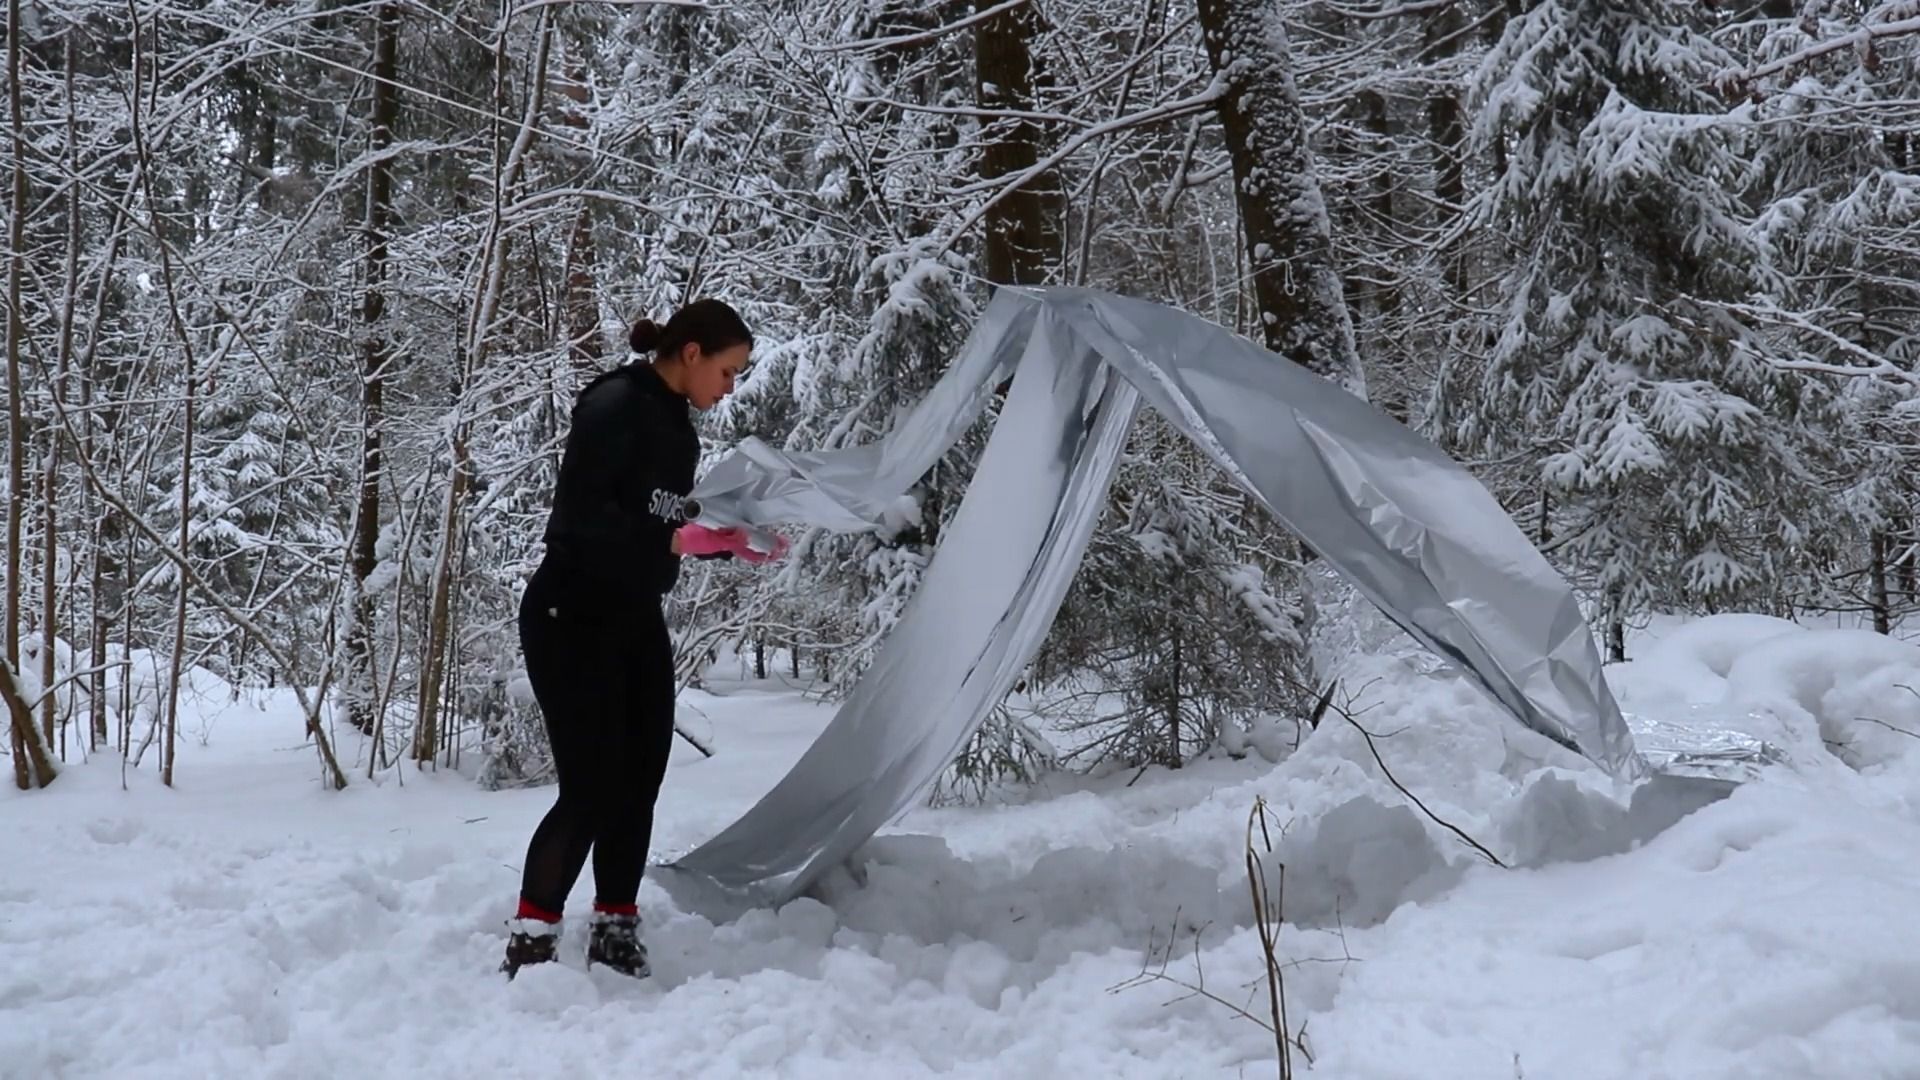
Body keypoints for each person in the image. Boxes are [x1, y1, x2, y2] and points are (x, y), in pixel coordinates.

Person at [502, 298, 784, 979]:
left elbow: (659, 523)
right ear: (691, 353)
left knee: (639, 780)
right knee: (592, 785)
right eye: (727, 370)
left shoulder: (677, 428)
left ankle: (615, 925)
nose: (730, 386)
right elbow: (585, 518)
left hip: (632, 614)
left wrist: (722, 543)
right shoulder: (614, 406)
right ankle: (532, 937)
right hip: (571, 613)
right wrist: (678, 536)